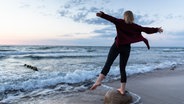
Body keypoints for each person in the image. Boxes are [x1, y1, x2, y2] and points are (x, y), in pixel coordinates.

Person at [90, 10, 163, 95]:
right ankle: (122, 89)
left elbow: (111, 19)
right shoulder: (135, 26)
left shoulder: (120, 22)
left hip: (117, 46)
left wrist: (102, 15)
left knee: (108, 64)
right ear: (132, 17)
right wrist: (157, 29)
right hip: (126, 48)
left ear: (124, 16)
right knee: (122, 69)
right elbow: (146, 29)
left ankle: (98, 81)